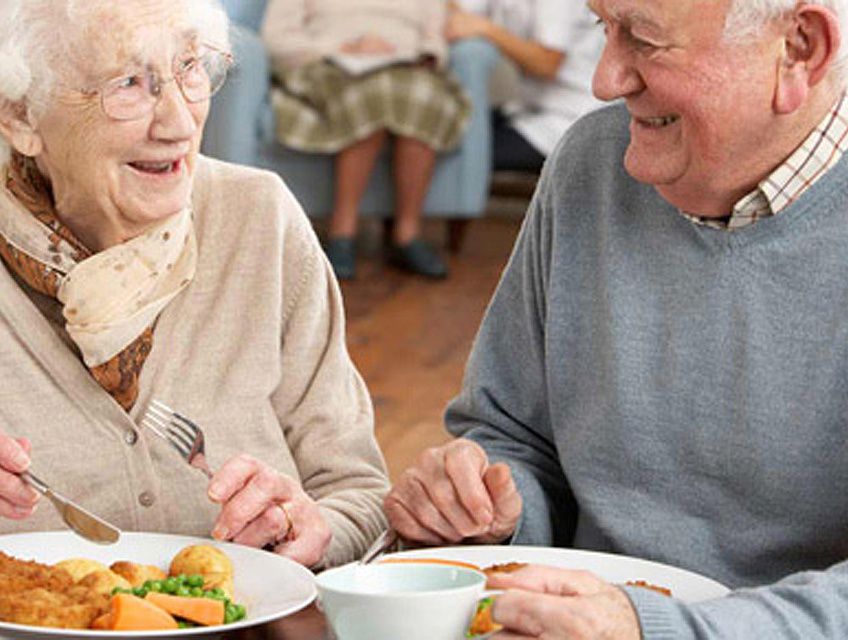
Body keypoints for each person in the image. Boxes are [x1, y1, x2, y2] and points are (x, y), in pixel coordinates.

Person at [386, 0, 848, 636]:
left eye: (646, 40)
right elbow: (512, 433)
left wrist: (652, 629)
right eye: (605, 27)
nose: (605, 80)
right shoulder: (590, 162)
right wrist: (494, 505)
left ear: (800, 46)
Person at [0, 0, 389, 570]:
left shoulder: (258, 220)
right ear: (22, 119)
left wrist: (315, 528)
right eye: (129, 83)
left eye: (189, 69)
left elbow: (361, 493)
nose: (179, 124)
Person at [261, 0, 471, 280]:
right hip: (329, 66)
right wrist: (336, 50)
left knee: (421, 96)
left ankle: (407, 234)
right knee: (375, 95)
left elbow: (435, 40)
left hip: (405, 68)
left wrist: (413, 55)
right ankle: (342, 231)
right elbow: (275, 37)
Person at [446, 0, 604, 172]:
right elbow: (459, 14)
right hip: (529, 110)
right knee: (449, 130)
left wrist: (487, 30)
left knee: (464, 153)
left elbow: (547, 63)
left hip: (570, 118)